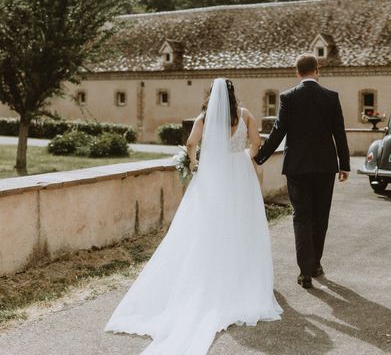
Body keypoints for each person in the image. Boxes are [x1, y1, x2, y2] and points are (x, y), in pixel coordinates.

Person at [105, 78, 282, 355]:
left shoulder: (205, 117)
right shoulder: (246, 115)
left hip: (214, 178)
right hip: (240, 177)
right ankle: (243, 277)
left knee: (210, 228)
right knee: (242, 226)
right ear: (233, 95)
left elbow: (191, 143)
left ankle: (212, 274)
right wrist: (244, 159)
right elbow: (257, 143)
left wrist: (196, 161)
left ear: (212, 96)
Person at [254, 54, 350, 289]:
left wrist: (260, 157)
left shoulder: (288, 97)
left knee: (301, 217)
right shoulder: (331, 97)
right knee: (320, 216)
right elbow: (339, 133)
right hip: (325, 167)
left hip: (297, 168)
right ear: (317, 70)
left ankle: (304, 272)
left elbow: (278, 132)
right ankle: (316, 264)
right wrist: (344, 165)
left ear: (296, 72)